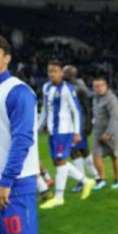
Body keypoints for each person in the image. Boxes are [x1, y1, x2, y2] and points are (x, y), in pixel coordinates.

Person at [0, 33, 87, 234]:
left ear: (7, 58)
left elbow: (23, 139)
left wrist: (6, 182)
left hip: (12, 184)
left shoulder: (17, 91)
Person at [38, 61, 95, 209]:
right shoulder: (46, 87)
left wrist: (77, 131)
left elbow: (76, 111)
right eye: (50, 71)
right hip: (52, 131)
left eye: (55, 71)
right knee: (58, 162)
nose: (52, 74)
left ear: (61, 73)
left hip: (64, 131)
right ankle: (85, 181)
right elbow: (45, 109)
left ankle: (59, 196)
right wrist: (37, 127)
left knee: (60, 161)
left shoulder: (67, 89)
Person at [62, 65, 100, 193]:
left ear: (71, 74)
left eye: (65, 72)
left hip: (79, 126)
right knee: (83, 151)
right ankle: (97, 177)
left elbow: (87, 109)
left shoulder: (80, 88)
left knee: (75, 152)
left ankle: (83, 180)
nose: (62, 74)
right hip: (69, 125)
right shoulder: (65, 87)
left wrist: (88, 125)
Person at [90, 77, 118, 190]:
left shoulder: (111, 99)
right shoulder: (95, 98)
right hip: (98, 132)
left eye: (101, 85)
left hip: (112, 133)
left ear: (106, 86)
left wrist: (109, 133)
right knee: (96, 155)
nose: (98, 88)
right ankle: (102, 179)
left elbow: (115, 117)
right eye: (96, 86)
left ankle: (117, 180)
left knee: (115, 156)